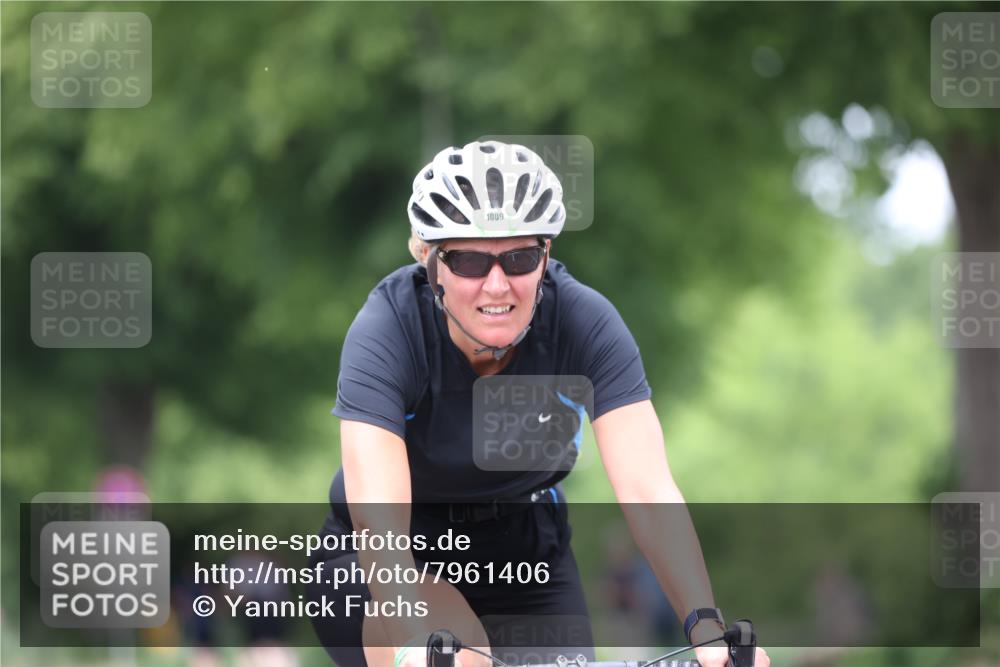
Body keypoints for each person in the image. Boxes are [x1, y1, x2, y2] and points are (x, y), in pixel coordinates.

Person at [306, 140, 771, 667]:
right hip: (390, 559)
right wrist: (414, 641)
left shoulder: (584, 321)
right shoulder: (386, 330)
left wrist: (706, 630)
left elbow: (647, 487)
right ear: (431, 262)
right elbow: (379, 517)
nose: (497, 285)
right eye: (469, 261)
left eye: (520, 258)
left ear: (545, 254)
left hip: (525, 554)